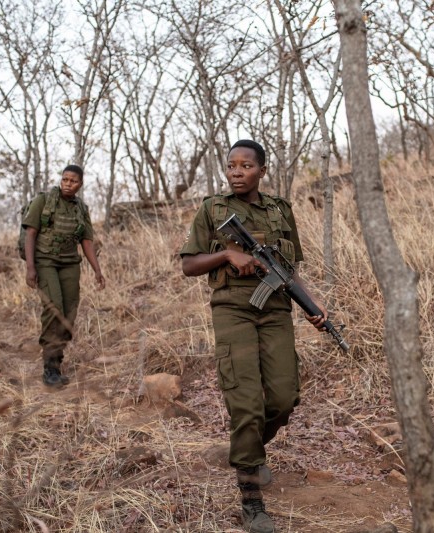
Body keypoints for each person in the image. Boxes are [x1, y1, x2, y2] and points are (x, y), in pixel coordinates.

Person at [180, 140, 327, 533]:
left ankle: (248, 451)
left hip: (276, 309)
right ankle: (251, 498)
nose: (237, 171)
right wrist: (228, 255)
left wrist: (311, 305)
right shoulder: (213, 209)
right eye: (231, 165)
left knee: (283, 398)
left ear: (262, 170)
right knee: (246, 405)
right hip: (233, 310)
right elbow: (189, 265)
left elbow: (290, 267)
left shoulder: (281, 210)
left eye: (246, 165)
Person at [22, 164, 105, 387]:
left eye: (73, 181)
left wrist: (97, 270)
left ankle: (57, 361)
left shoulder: (81, 208)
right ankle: (49, 368)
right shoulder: (44, 201)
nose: (68, 184)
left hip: (70, 264)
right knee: (54, 308)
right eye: (65, 179)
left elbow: (86, 242)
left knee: (69, 314)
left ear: (80, 184)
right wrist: (31, 267)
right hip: (45, 261)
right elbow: (30, 233)